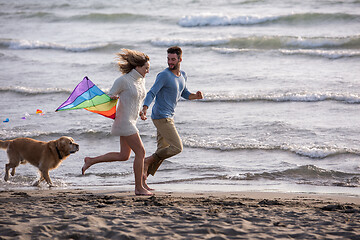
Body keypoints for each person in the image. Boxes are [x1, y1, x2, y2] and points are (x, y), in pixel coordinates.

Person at [82, 49, 153, 196]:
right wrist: (112, 98)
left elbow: (137, 99)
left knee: (123, 156)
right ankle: (138, 188)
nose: (147, 71)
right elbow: (109, 95)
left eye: (148, 68)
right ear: (137, 67)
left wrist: (140, 112)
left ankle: (90, 161)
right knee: (141, 152)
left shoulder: (141, 80)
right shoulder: (123, 80)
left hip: (131, 120)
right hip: (124, 122)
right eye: (146, 68)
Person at [140, 46, 203, 183]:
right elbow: (152, 92)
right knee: (177, 147)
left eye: (173, 59)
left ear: (180, 59)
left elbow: (184, 93)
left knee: (162, 150)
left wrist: (195, 96)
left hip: (169, 116)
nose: (170, 62)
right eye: (168, 59)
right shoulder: (164, 75)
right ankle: (147, 161)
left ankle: (143, 180)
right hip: (161, 116)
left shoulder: (183, 75)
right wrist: (145, 107)